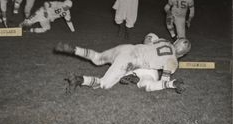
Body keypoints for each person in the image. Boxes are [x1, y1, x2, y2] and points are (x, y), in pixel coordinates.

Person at [54, 33, 190, 94]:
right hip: (131, 60)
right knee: (104, 84)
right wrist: (169, 83)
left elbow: (149, 37)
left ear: (175, 42)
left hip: (128, 48)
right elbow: (163, 80)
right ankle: (79, 80)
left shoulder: (164, 41)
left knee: (98, 57)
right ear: (182, 54)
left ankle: (74, 49)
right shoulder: (173, 61)